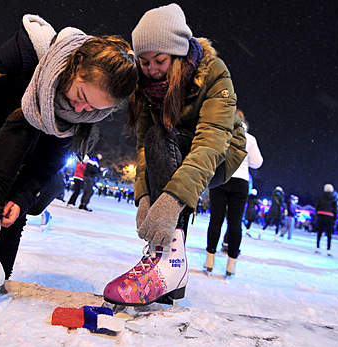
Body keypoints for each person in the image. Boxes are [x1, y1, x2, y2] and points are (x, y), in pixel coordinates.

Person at [0, 14, 138, 289]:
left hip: (26, 164)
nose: (79, 111)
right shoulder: (24, 55)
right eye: (80, 95)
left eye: (93, 109)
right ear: (75, 65)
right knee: (26, 124)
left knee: (8, 234)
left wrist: (22, 198)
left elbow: (51, 159)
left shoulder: (83, 113)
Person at [103, 3, 246, 306]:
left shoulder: (214, 73)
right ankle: (169, 267)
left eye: (160, 60)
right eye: (144, 62)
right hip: (171, 146)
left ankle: (169, 259)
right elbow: (144, 144)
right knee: (156, 135)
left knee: (164, 138)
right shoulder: (145, 87)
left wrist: (171, 202)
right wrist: (144, 197)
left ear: (178, 54)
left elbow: (211, 143)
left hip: (220, 155)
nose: (151, 69)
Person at [204, 110, 263, 276]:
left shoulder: (221, 134)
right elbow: (257, 163)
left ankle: (210, 259)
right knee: (235, 222)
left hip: (220, 179)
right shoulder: (250, 139)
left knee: (215, 220)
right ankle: (231, 263)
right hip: (240, 181)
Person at [315, 184, 337, 256]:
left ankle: (317, 247)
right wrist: (334, 218)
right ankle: (328, 250)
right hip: (329, 215)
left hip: (321, 214)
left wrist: (317, 213)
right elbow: (335, 209)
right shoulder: (334, 197)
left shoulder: (321, 196)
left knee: (320, 231)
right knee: (329, 233)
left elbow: (317, 205)